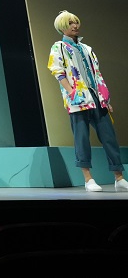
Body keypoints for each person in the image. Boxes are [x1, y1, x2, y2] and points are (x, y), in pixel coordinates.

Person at [47, 10, 126, 192]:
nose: (75, 25)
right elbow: (57, 71)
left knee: (109, 137)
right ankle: (88, 179)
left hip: (96, 97)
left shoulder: (86, 48)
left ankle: (119, 178)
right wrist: (72, 93)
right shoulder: (58, 47)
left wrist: (105, 98)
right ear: (62, 27)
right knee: (81, 138)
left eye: (76, 22)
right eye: (70, 23)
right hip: (78, 100)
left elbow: (96, 74)